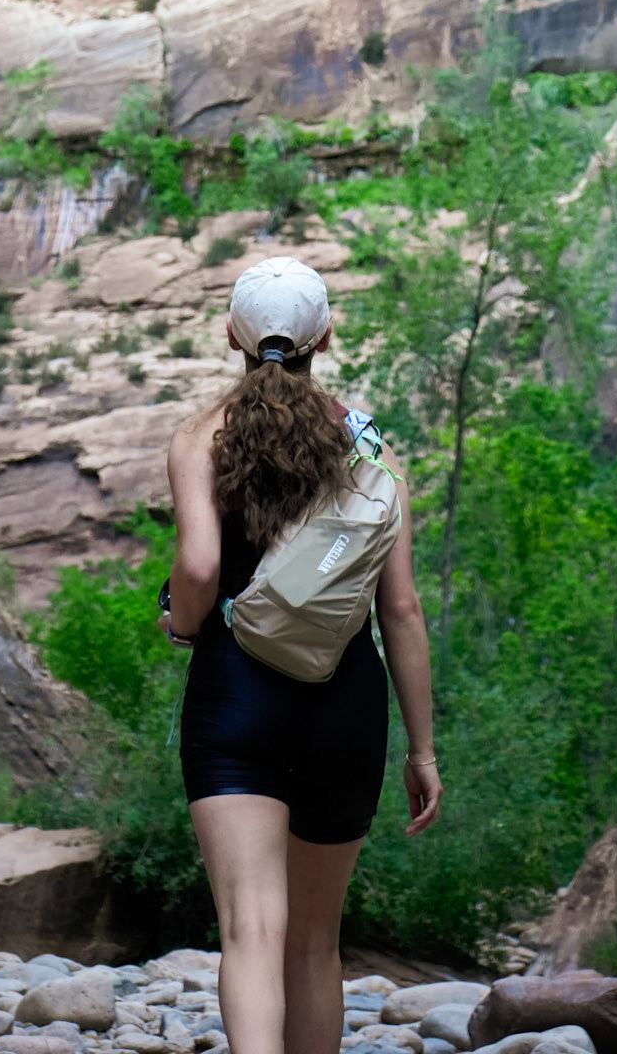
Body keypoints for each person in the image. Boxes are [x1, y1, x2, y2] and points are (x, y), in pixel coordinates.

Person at [160, 256, 442, 1054]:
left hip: (236, 696)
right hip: (344, 703)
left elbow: (200, 570)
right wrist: (421, 751)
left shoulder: (199, 437)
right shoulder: (368, 444)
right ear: (325, 337)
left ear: (231, 337)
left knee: (251, 929)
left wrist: (182, 626)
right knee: (315, 944)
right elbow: (400, 608)